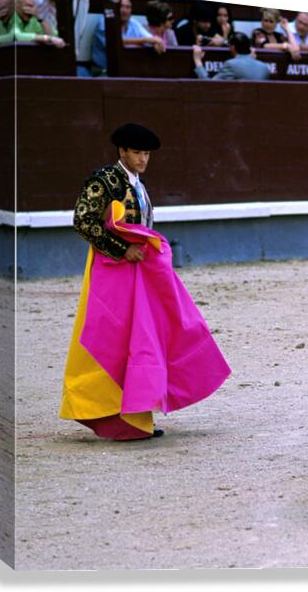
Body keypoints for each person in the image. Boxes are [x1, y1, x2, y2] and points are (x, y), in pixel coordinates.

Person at [61, 123, 230, 440]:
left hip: (137, 271)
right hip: (111, 272)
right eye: (137, 152)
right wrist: (122, 249)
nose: (142, 159)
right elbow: (82, 220)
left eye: (147, 154)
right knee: (116, 337)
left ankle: (137, 415)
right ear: (121, 151)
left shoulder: (136, 183)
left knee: (143, 337)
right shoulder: (105, 181)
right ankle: (113, 414)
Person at [90, 0, 165, 75]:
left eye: (128, 7)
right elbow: (114, 42)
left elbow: (150, 38)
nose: (124, 10)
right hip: (102, 71)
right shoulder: (104, 21)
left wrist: (155, 43)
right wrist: (148, 40)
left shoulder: (133, 22)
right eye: (121, 6)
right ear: (114, 8)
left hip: (125, 71)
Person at [0, 0, 66, 48]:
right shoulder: (0, 22)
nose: (30, 9)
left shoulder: (33, 19)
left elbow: (52, 36)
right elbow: (16, 36)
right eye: (2, 8)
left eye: (32, 6)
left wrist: (39, 18)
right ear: (17, 7)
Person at [193, 32, 270, 81]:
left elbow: (208, 85)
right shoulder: (264, 67)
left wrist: (197, 60)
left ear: (233, 48)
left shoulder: (231, 65)